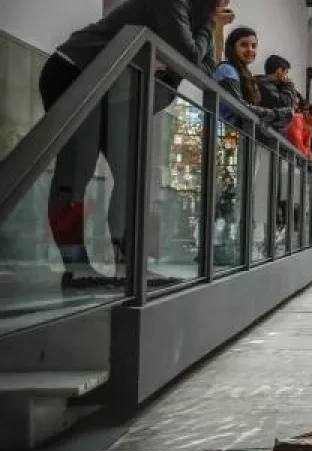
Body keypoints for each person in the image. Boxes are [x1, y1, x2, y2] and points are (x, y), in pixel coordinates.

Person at [36, 0, 234, 283]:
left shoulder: (197, 18)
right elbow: (189, 56)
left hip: (111, 87)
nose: (226, 1)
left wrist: (209, 29)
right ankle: (76, 267)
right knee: (77, 169)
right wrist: (210, 25)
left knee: (132, 174)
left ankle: (130, 265)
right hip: (76, 71)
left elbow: (206, 72)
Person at [214, 27, 289, 129]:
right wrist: (276, 114)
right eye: (244, 45)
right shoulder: (227, 69)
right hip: (224, 131)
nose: (250, 49)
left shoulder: (246, 75)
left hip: (236, 132)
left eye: (253, 46)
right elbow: (239, 106)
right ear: (232, 47)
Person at [255, 54, 296, 135]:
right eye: (286, 72)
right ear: (279, 71)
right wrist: (288, 85)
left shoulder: (267, 83)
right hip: (260, 133)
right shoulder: (265, 84)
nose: (287, 77)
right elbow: (285, 106)